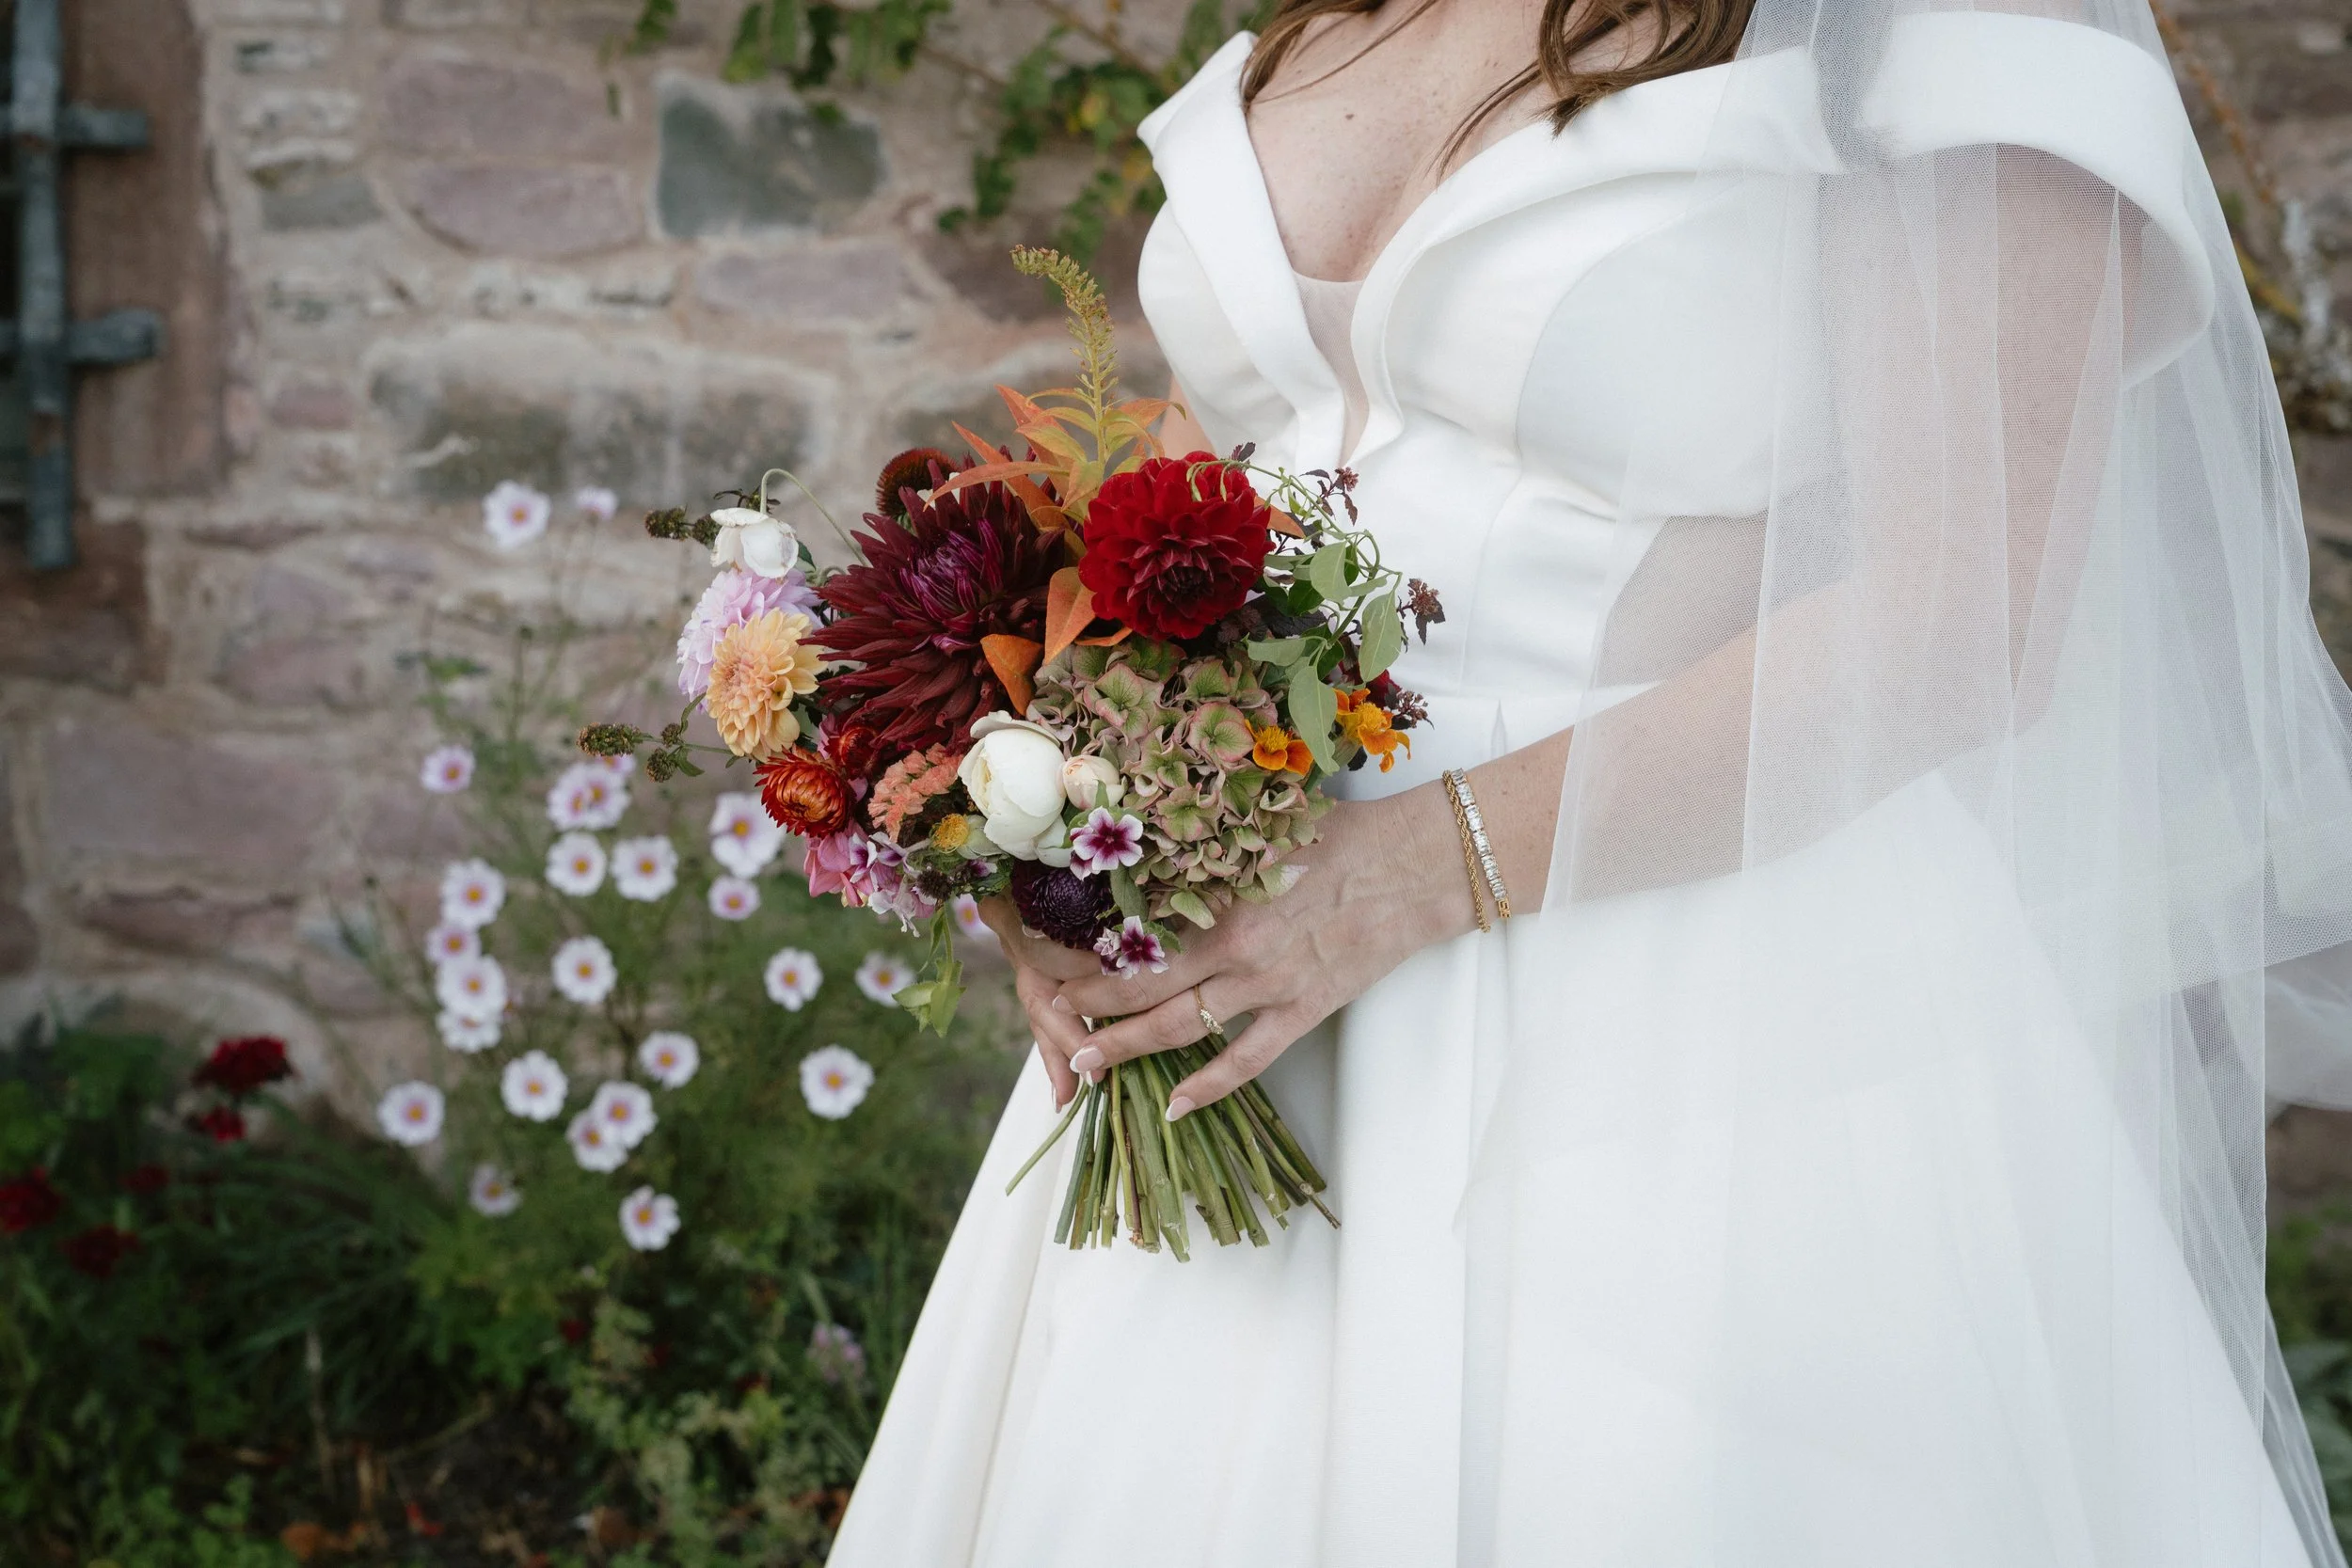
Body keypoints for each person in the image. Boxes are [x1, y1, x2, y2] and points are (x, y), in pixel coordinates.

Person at [832, 0, 2352, 1561]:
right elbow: (1216, 473)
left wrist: (1412, 873)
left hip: (1709, 1013)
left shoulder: (1919, 24)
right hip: (1256, 974)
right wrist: (1066, 831)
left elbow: (1968, 616)